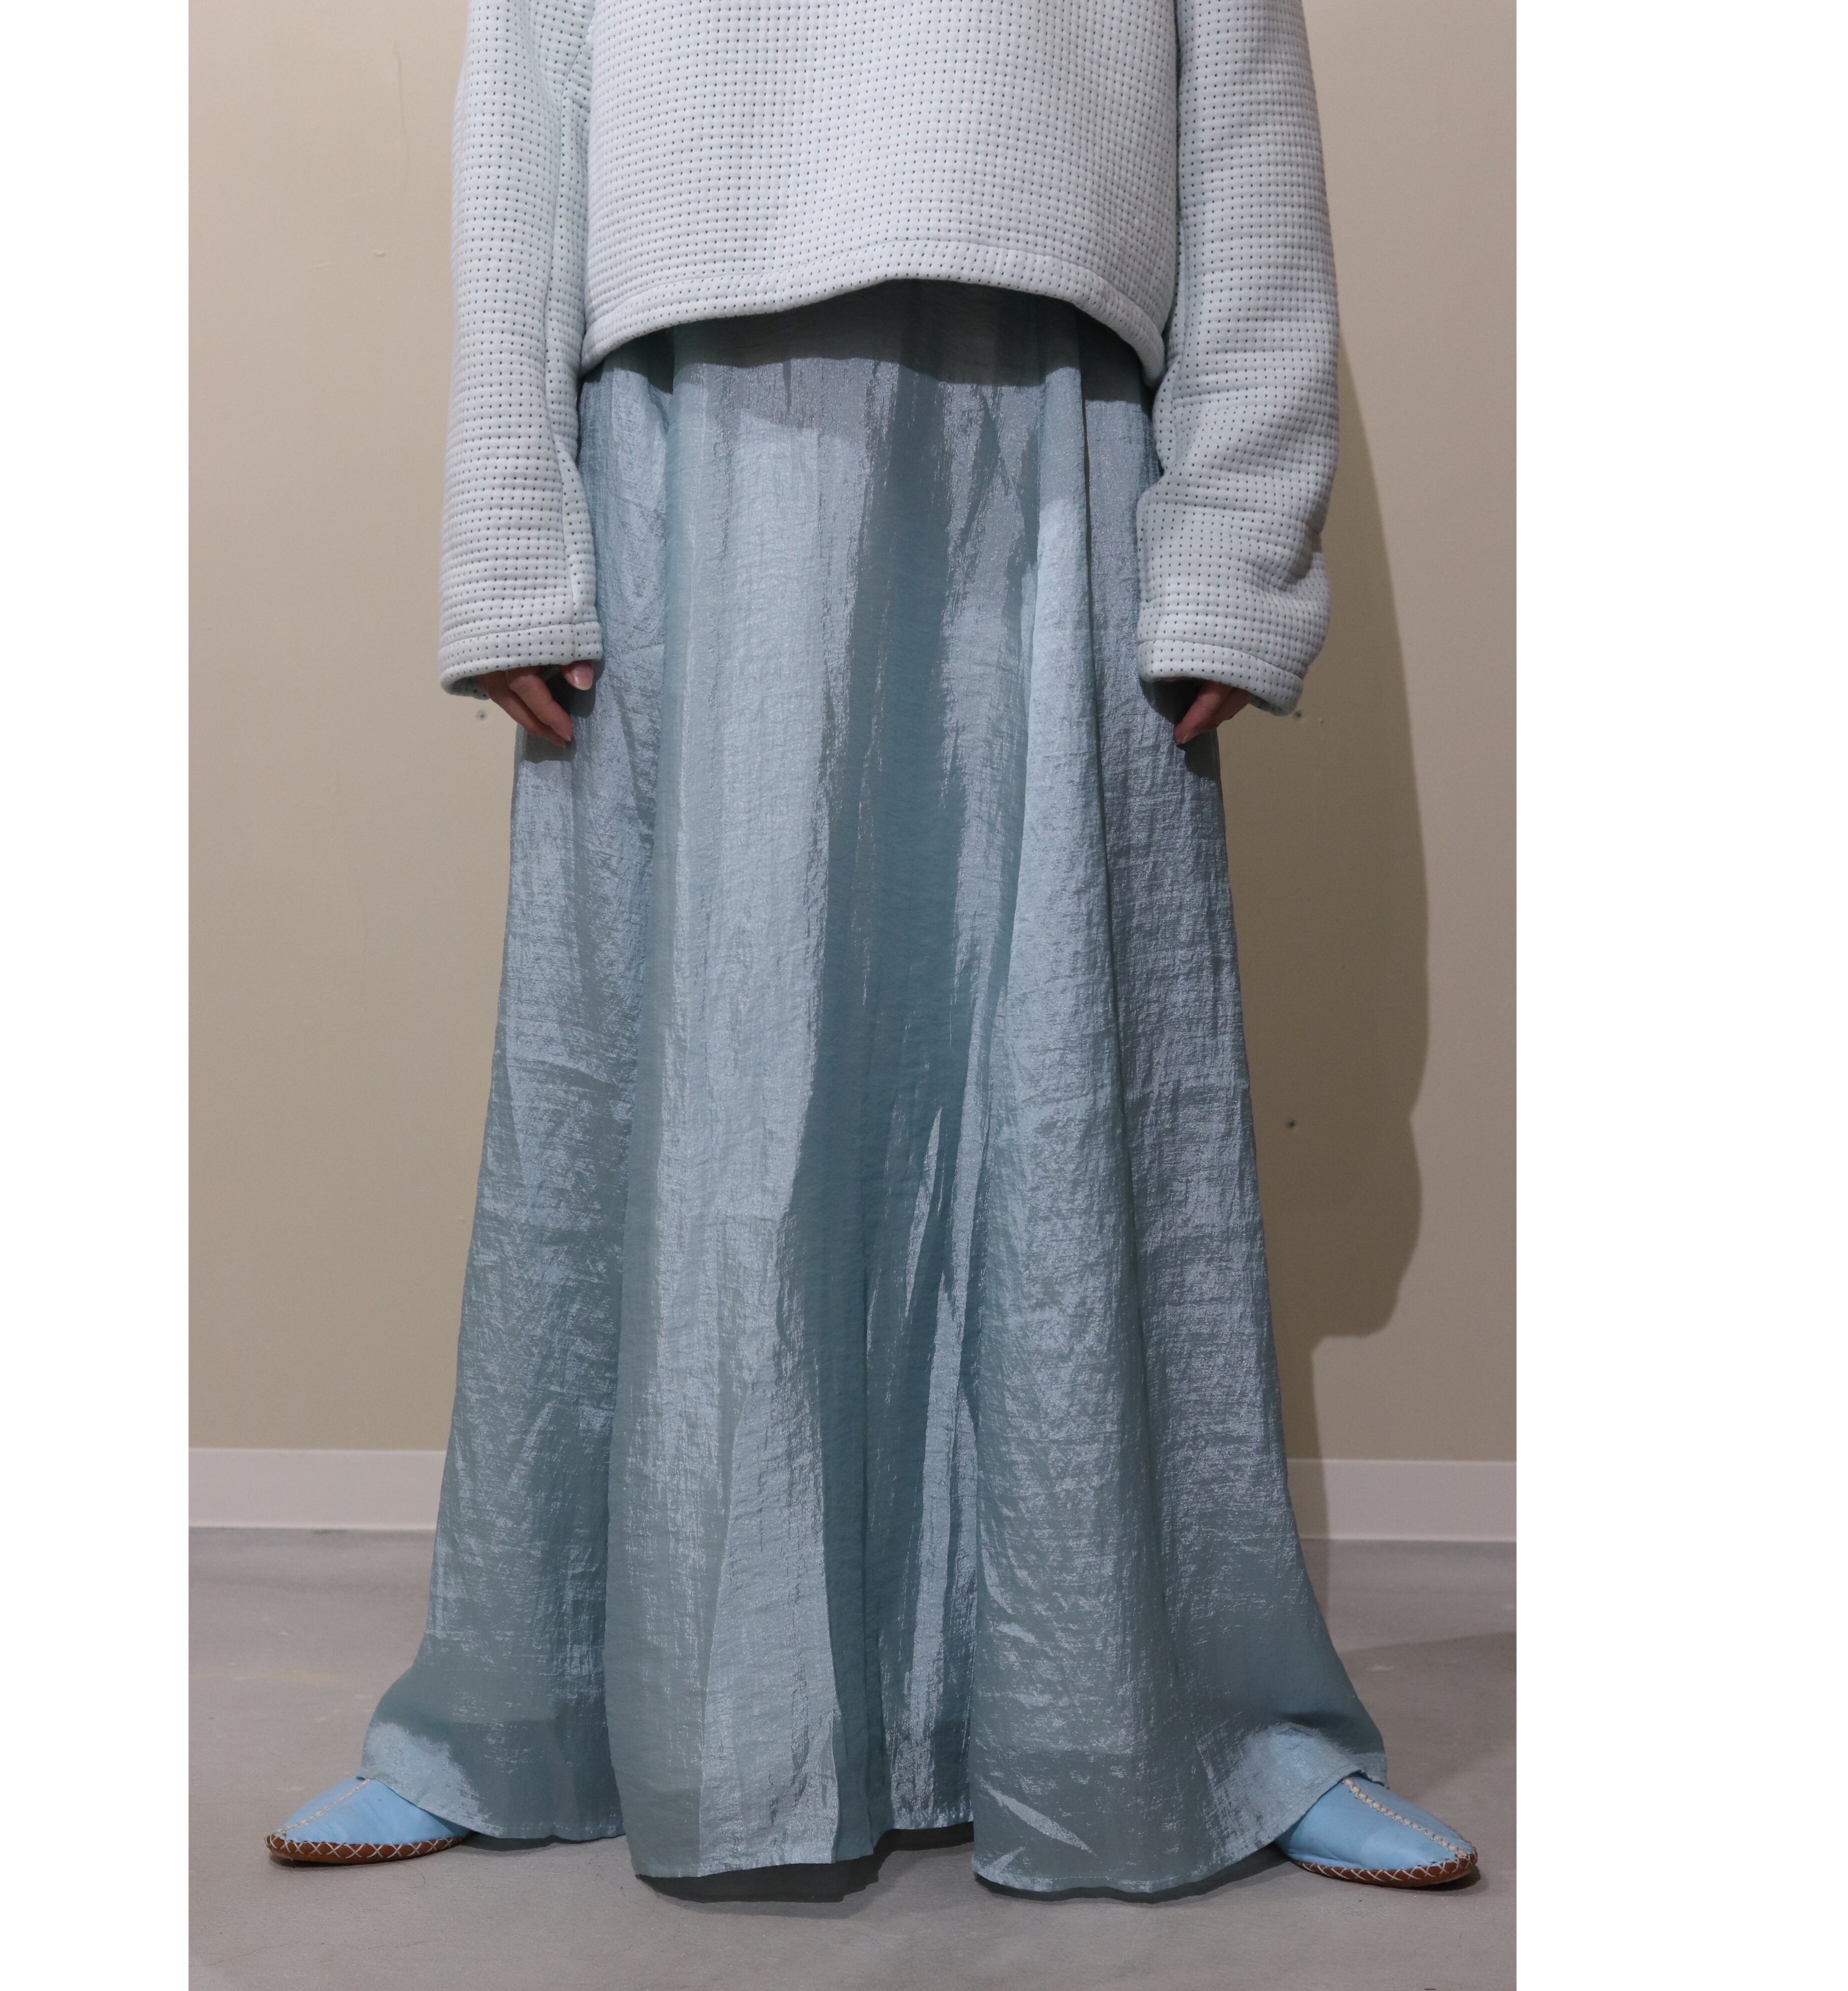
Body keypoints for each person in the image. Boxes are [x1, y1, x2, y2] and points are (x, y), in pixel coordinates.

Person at [266, 0, 1477, 1895]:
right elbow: (527, 98)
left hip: (1057, 428)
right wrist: (508, 516)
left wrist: (1242, 533)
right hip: (678, 428)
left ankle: (1183, 1719)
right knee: (681, 1096)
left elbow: (1242, 107)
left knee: (1073, 1084)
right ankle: (540, 1705)